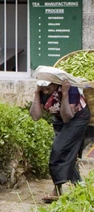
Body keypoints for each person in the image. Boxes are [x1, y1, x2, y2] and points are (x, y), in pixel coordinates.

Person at [30, 66, 90, 203]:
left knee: (58, 151)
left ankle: (58, 189)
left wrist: (65, 94)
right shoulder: (42, 92)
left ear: (56, 84)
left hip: (78, 119)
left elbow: (67, 117)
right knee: (69, 154)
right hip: (59, 121)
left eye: (48, 88)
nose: (45, 91)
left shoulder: (71, 89)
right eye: (43, 88)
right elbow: (35, 116)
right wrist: (37, 94)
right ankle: (78, 187)